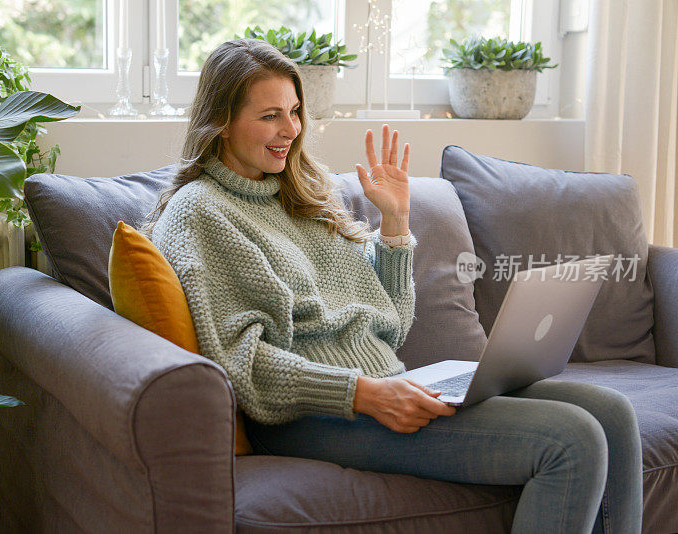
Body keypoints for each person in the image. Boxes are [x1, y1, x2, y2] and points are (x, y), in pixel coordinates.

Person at [143, 38, 642, 534]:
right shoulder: (200, 212)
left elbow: (392, 324)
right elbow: (242, 363)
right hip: (314, 417)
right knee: (571, 439)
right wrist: (364, 394)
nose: (291, 130)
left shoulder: (301, 197)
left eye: (295, 112)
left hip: (387, 386)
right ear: (223, 121)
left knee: (614, 415)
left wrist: (396, 224)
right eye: (271, 115)